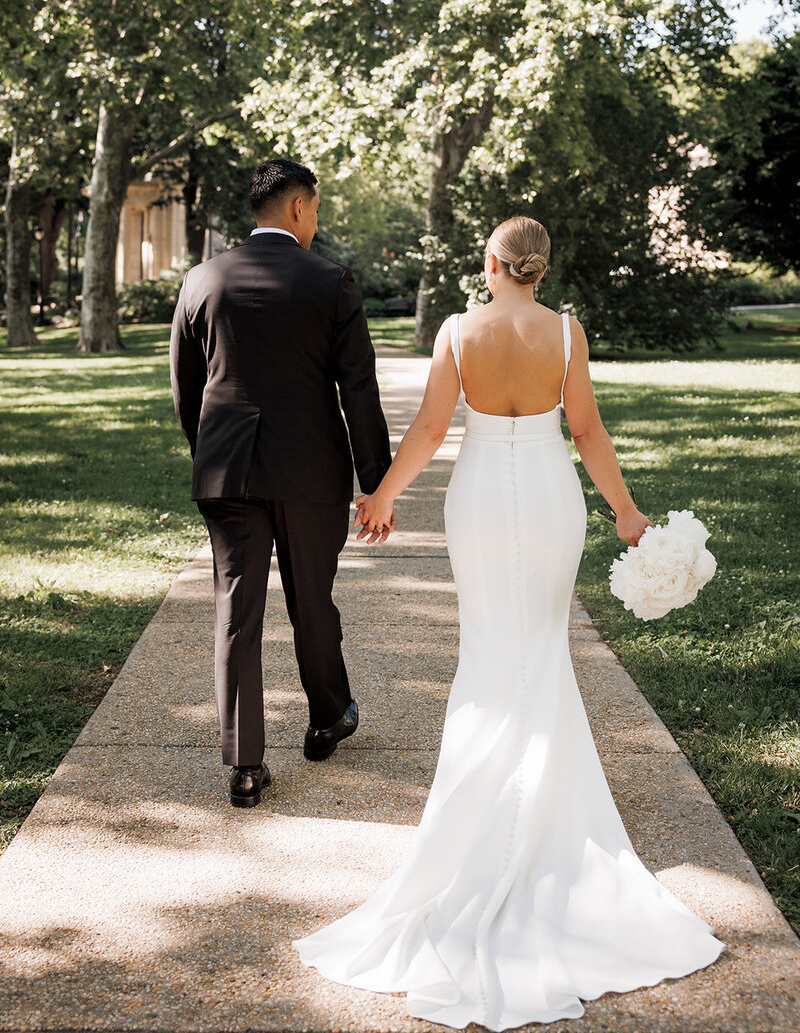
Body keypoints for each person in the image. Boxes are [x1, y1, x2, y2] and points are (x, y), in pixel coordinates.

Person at [293, 216, 726, 1029]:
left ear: (491, 264)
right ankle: (547, 824)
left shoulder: (460, 330)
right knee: (539, 650)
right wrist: (627, 514)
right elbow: (587, 432)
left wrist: (382, 496)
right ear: (540, 267)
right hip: (555, 499)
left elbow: (429, 429)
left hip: (483, 499)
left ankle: (481, 821)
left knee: (491, 651)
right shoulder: (567, 332)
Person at [169, 158, 393, 810]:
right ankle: (328, 717)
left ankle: (244, 765)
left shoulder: (201, 281)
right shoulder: (330, 281)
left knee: (236, 611)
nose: (317, 222)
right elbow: (359, 389)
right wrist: (374, 483)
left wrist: (209, 454)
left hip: (227, 468)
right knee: (311, 598)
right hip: (309, 471)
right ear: (298, 208)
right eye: (317, 210)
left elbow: (187, 388)